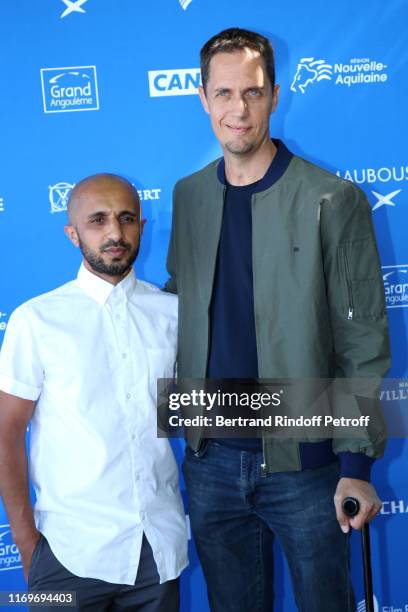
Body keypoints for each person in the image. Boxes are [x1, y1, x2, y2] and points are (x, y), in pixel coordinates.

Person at [165, 28, 390, 611]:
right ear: (202, 97)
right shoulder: (188, 197)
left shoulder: (331, 199)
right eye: (224, 93)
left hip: (306, 465)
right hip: (211, 461)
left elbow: (362, 339)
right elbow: (176, 308)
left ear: (274, 94)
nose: (238, 110)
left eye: (253, 92)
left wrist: (356, 463)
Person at [0, 174, 188, 611]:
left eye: (126, 219)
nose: (115, 233)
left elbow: (198, 414)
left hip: (157, 554)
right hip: (68, 553)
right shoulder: (38, 321)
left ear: (143, 224)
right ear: (73, 233)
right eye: (98, 220)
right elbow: (6, 432)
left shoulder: (172, 314)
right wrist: (28, 544)